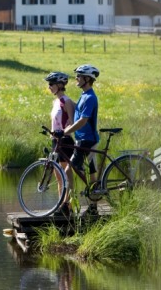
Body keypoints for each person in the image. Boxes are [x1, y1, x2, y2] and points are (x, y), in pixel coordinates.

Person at [62, 64, 100, 216]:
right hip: (83, 139)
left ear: (87, 79)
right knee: (91, 174)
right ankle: (93, 207)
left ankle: (68, 206)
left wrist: (67, 131)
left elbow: (83, 121)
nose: (76, 78)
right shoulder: (84, 95)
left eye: (79, 76)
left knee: (68, 170)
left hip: (87, 141)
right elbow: (77, 116)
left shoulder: (90, 97)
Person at [44, 72, 75, 217]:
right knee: (58, 176)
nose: (49, 87)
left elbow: (72, 121)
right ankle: (61, 205)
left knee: (66, 175)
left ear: (60, 85)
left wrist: (64, 131)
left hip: (65, 140)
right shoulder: (55, 102)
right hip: (55, 141)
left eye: (51, 84)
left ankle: (68, 205)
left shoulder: (66, 101)